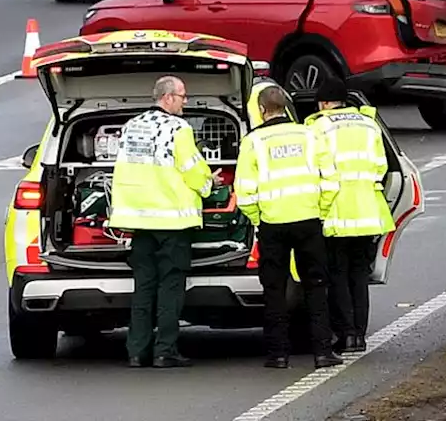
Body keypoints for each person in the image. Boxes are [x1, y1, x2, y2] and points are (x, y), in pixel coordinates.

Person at [110, 75, 220, 369]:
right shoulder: (178, 129)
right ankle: (164, 350)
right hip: (172, 222)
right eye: (183, 96)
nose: (186, 101)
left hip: (139, 221)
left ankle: (136, 351)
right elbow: (192, 169)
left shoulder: (132, 126)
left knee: (144, 287)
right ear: (168, 97)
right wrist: (210, 184)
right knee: (170, 287)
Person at [235, 85, 343, 370]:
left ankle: (278, 354)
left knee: (274, 289)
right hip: (308, 222)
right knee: (316, 287)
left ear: (260, 110)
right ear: (286, 107)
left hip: (272, 224)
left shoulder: (253, 141)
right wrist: (319, 210)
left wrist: (259, 218)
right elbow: (331, 179)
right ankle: (322, 352)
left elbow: (245, 192)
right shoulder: (309, 135)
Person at [305, 76, 395, 356]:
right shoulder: (369, 123)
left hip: (337, 212)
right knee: (359, 274)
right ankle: (359, 335)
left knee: (338, 276)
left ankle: (345, 335)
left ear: (324, 102)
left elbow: (315, 170)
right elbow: (382, 166)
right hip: (369, 211)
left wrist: (319, 209)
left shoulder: (318, 127)